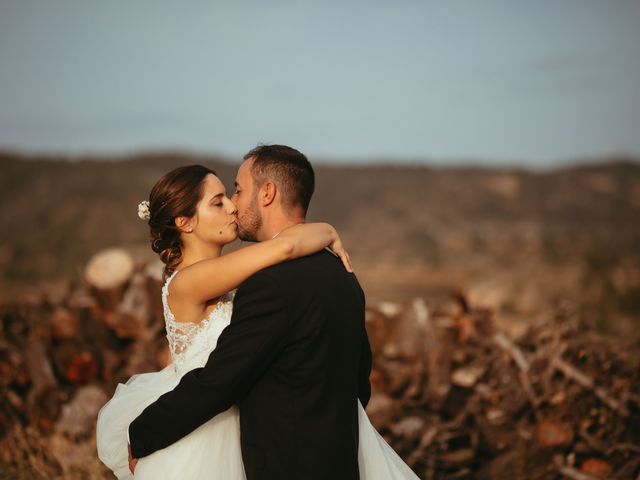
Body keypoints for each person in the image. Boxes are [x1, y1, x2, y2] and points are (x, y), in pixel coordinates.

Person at [97, 145, 419, 479]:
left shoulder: (261, 284)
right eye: (218, 201)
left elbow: (223, 377)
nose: (233, 205)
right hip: (209, 436)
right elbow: (358, 378)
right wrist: (328, 231)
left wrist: (145, 433)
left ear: (267, 192)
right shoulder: (341, 275)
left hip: (258, 447)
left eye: (234, 191)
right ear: (184, 222)